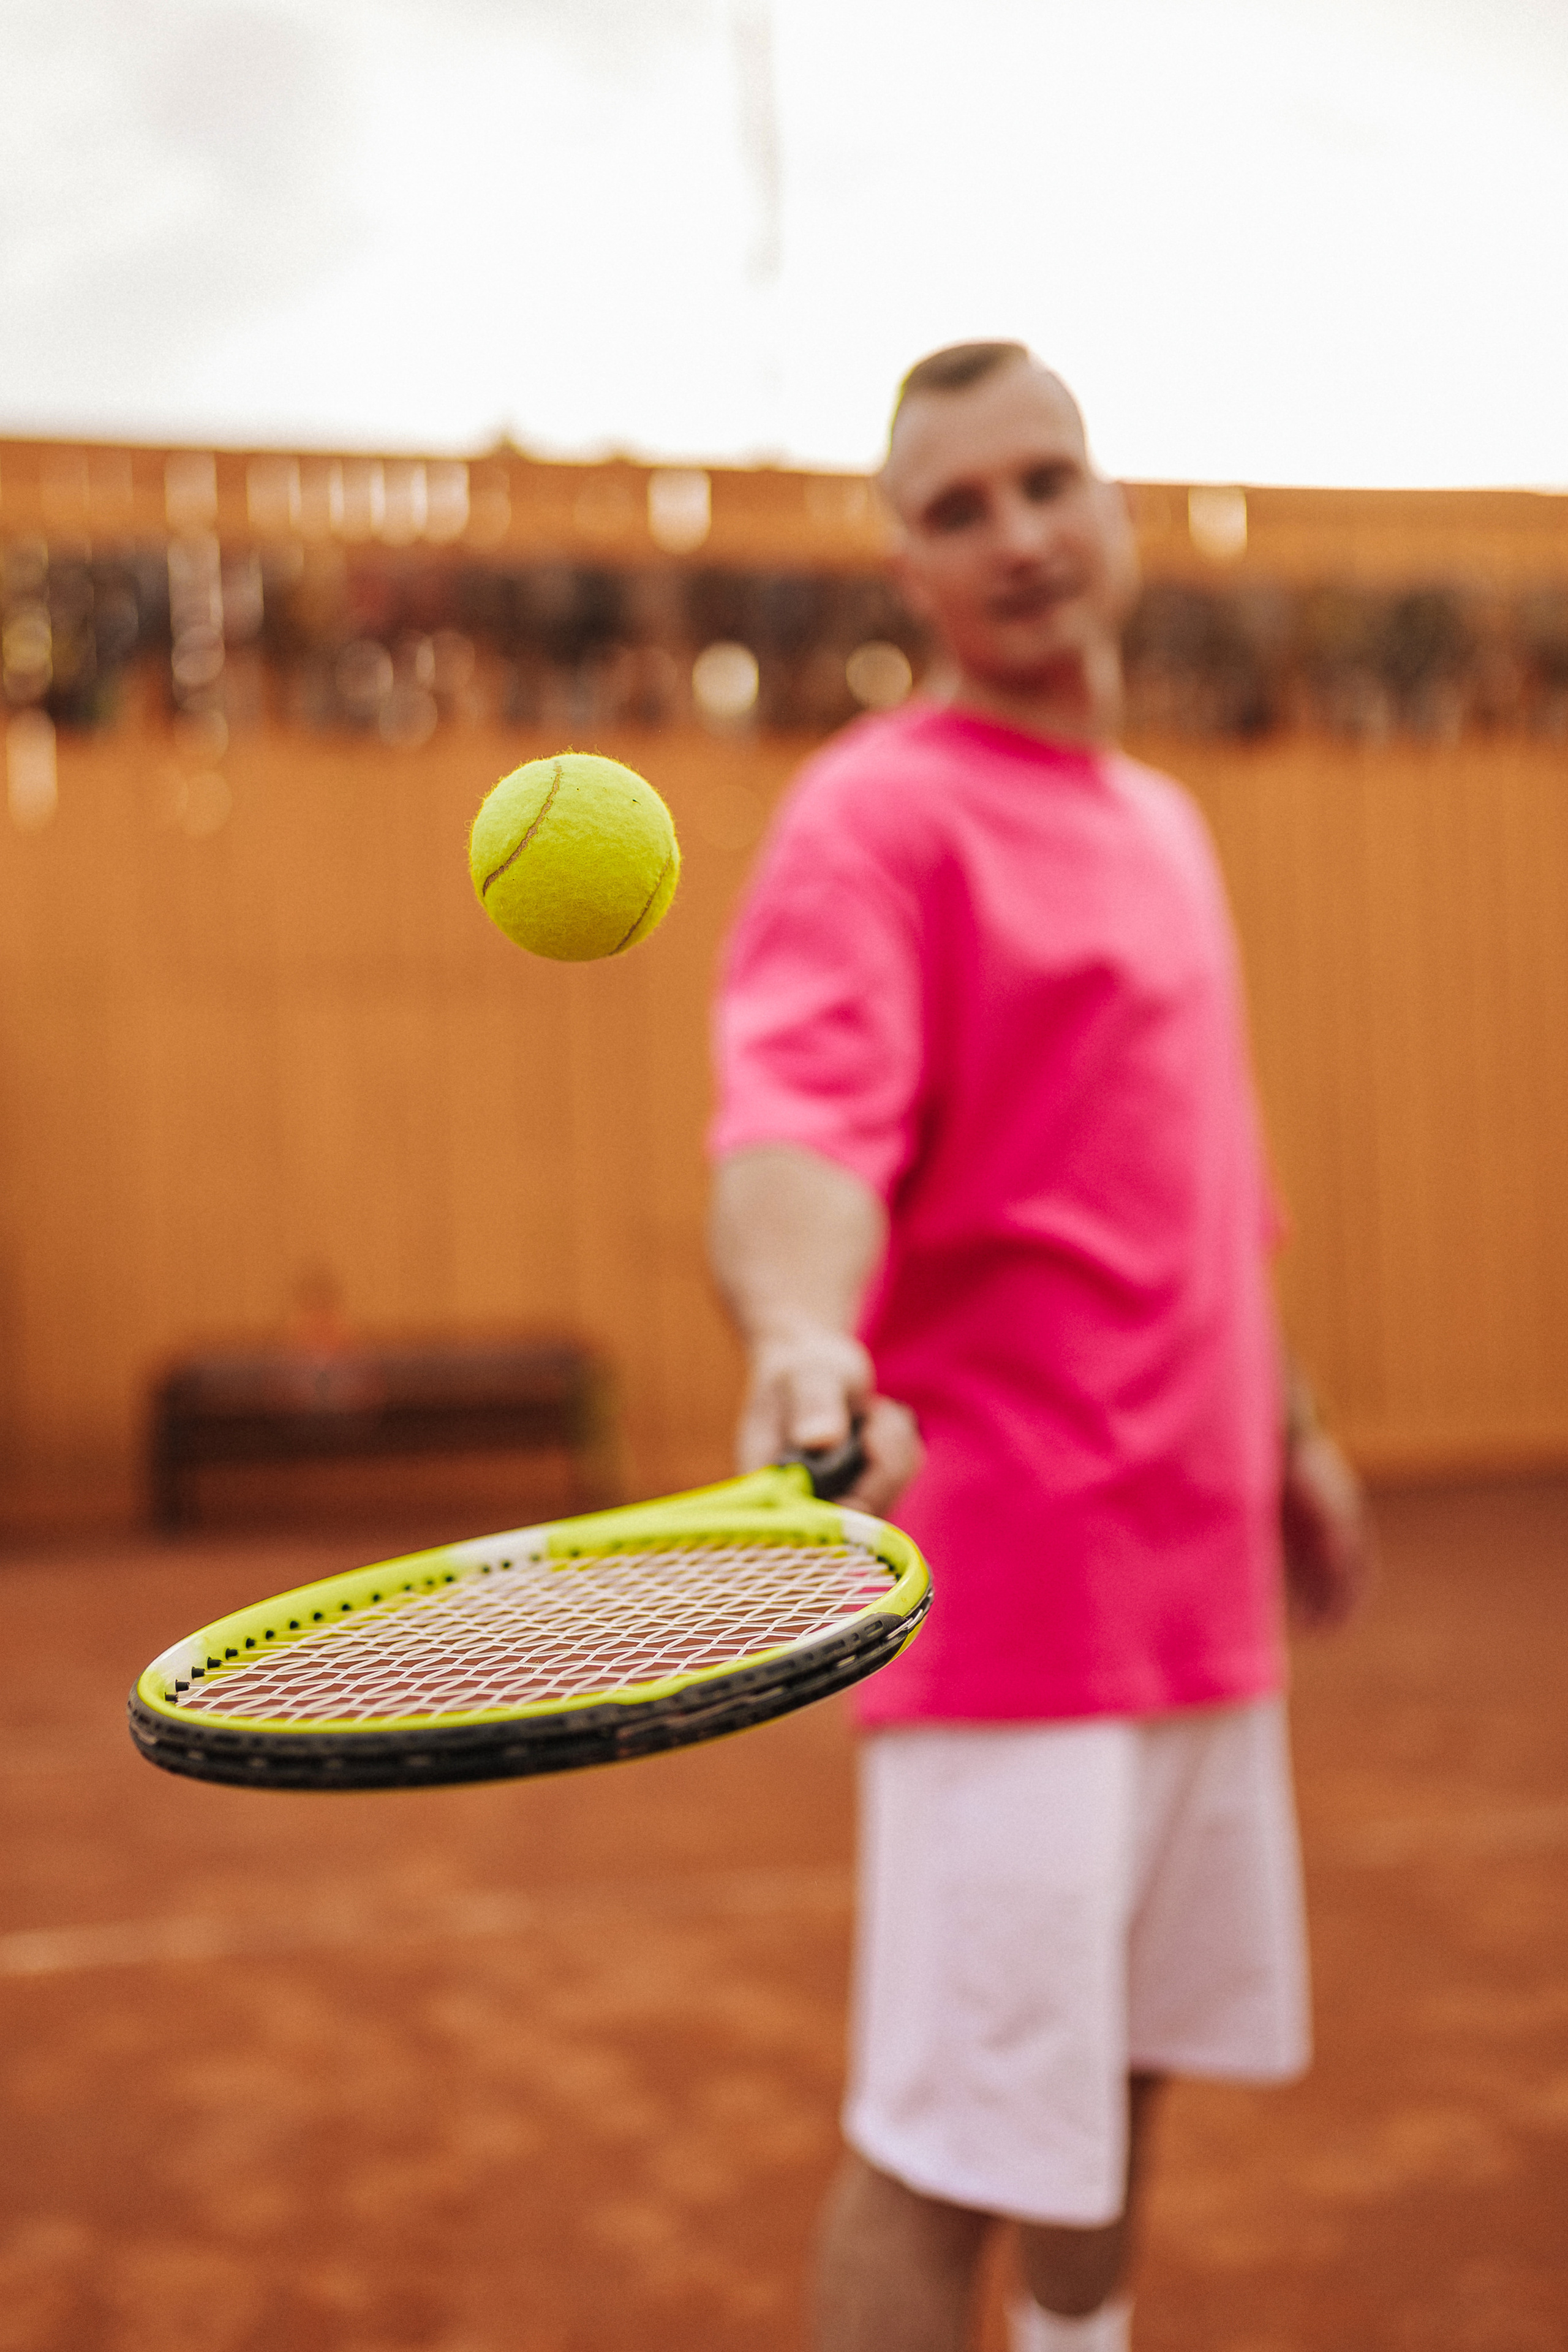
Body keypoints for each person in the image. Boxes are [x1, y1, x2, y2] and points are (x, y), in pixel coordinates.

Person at [706, 342, 1372, 2352]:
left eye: (1044, 483)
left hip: (1198, 1596)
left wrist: (1296, 1434)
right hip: (1006, 1608)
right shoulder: (871, 824)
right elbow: (800, 1125)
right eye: (955, 510)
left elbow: (1196, 1187)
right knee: (948, 2158)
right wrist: (805, 1334)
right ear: (907, 570)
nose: (1015, 538)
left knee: (1118, 2096)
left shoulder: (1161, 822)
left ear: (1116, 512)